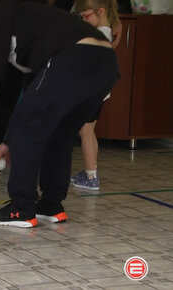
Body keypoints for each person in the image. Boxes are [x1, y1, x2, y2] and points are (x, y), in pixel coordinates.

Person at [0, 0, 118, 227]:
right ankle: (51, 206)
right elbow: (31, 99)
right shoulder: (35, 26)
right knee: (59, 135)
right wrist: (11, 140)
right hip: (106, 64)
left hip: (75, 58)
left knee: (31, 131)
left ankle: (21, 208)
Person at [70, 0, 118, 190]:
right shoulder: (103, 33)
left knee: (86, 132)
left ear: (101, 11)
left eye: (86, 16)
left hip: (92, 93)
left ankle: (91, 177)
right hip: (97, 92)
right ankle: (91, 172)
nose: (84, 20)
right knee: (88, 132)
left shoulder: (100, 36)